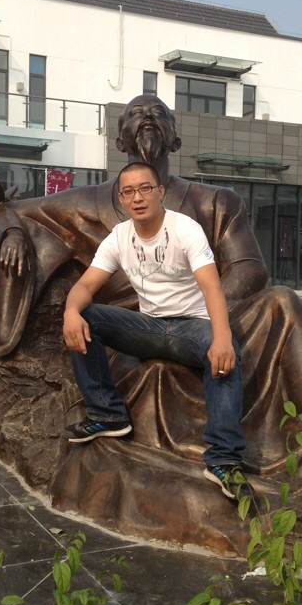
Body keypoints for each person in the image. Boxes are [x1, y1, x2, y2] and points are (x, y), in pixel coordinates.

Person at [0, 94, 302, 559]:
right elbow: (17, 212)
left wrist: (217, 327)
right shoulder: (94, 206)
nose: (147, 119)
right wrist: (11, 232)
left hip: (207, 316)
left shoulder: (212, 203)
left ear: (174, 141)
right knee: (85, 315)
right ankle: (109, 415)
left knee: (282, 302)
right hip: (139, 327)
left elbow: (247, 269)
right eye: (135, 114)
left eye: (158, 114)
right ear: (119, 141)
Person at [62, 161, 251, 502]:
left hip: (191, 326)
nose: (138, 197)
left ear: (160, 191)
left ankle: (223, 459)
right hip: (148, 328)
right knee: (85, 316)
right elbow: (86, 285)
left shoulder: (185, 229)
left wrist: (222, 337)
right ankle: (108, 415)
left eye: (145, 188)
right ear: (121, 199)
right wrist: (71, 312)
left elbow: (211, 287)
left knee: (225, 352)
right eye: (129, 191)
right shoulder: (119, 237)